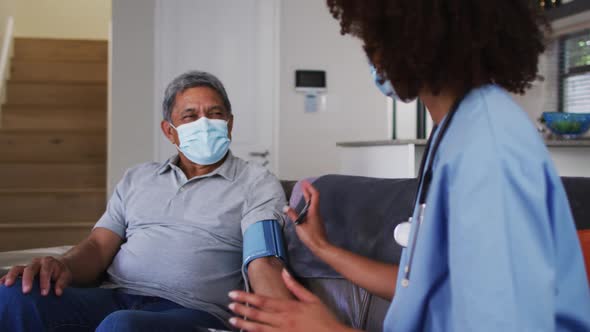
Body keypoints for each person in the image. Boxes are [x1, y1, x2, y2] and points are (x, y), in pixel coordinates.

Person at [226, 1, 590, 331]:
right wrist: (322, 247)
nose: (369, 50)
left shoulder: (489, 149)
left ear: (417, 31)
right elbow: (424, 286)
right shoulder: (455, 131)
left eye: (373, 34)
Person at [0, 70, 292, 332]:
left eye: (215, 114)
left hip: (194, 312)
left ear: (229, 124)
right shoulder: (137, 178)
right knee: (13, 295)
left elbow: (263, 259)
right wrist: (63, 265)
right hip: (115, 296)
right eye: (190, 116)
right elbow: (98, 246)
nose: (204, 124)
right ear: (169, 131)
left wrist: (283, 321)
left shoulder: (255, 181)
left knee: (122, 325)